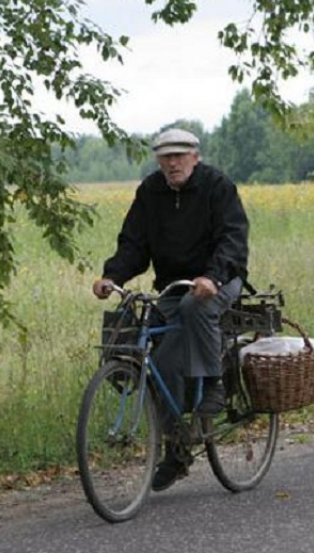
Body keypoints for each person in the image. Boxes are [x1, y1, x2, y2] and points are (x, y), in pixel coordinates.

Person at [92, 127, 250, 491]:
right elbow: (134, 243)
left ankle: (212, 384)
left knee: (196, 307)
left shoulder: (217, 187)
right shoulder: (151, 192)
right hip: (173, 286)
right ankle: (176, 452)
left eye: (180, 155)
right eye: (166, 156)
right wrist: (111, 275)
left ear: (195, 156)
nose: (173, 162)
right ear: (158, 160)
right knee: (160, 367)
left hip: (219, 279)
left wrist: (212, 276)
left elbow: (232, 238)